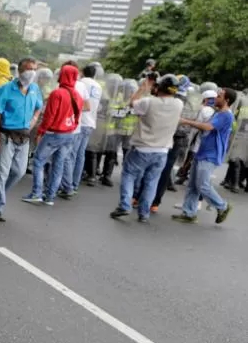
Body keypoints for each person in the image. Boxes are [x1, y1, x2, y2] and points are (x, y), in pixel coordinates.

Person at [110, 74, 183, 223]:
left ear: (159, 87)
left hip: (142, 148)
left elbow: (132, 103)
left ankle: (124, 205)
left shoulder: (149, 102)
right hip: (162, 151)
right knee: (152, 182)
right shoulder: (178, 104)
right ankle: (144, 213)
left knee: (129, 175)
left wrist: (143, 88)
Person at [0, 57, 43, 222]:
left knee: (19, 172)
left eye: (34, 69)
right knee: (1, 173)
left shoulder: (35, 89)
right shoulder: (6, 89)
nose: (32, 72)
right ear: (20, 71)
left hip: (24, 137)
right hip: (6, 136)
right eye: (28, 68)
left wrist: (32, 123)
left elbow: (38, 109)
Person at [172, 87, 237, 225]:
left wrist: (185, 121)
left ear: (227, 100)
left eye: (219, 96)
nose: (216, 98)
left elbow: (208, 127)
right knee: (193, 185)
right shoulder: (219, 113)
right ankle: (189, 213)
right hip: (203, 152)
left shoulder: (226, 115)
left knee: (202, 185)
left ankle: (223, 206)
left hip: (210, 155)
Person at [22, 63, 82, 206]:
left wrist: (41, 132)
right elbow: (78, 116)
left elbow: (50, 116)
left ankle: (36, 193)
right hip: (69, 134)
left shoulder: (57, 93)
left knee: (38, 161)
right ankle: (50, 196)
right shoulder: (77, 95)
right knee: (58, 164)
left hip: (54, 133)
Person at [150, 89, 214, 212]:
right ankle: (155, 203)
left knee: (154, 168)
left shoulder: (172, 102)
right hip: (182, 141)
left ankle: (141, 197)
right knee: (167, 169)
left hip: (166, 137)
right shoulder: (194, 107)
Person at [59, 63, 103, 198]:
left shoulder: (80, 84)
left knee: (70, 155)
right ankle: (75, 184)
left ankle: (68, 185)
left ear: (82, 72)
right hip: (90, 123)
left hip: (79, 122)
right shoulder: (98, 86)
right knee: (80, 155)